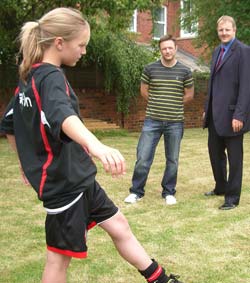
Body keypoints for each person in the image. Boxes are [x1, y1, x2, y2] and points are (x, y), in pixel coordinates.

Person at [0, 7, 186, 283]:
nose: (84, 51)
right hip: (64, 185)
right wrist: (98, 146)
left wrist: (25, 166)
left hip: (80, 178)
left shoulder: (29, 78)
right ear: (60, 43)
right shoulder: (49, 77)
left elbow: (9, 124)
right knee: (58, 259)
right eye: (81, 45)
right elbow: (64, 117)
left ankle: (160, 279)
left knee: (119, 226)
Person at [124, 35, 194, 205]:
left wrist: (174, 104)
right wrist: (157, 103)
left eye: (170, 48)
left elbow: (190, 95)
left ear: (175, 49)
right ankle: (136, 192)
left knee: (172, 159)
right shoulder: (150, 69)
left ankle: (169, 192)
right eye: (164, 48)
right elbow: (143, 91)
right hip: (152, 121)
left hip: (175, 122)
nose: (167, 51)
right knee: (143, 157)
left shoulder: (185, 71)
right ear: (160, 50)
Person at [203, 15, 250, 210]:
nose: (224, 33)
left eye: (227, 30)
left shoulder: (244, 52)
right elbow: (213, 83)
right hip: (215, 115)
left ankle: (232, 198)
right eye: (221, 30)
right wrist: (207, 109)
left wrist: (240, 114)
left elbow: (246, 86)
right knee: (215, 153)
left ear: (234, 30)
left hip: (233, 116)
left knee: (234, 158)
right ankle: (220, 186)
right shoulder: (217, 51)